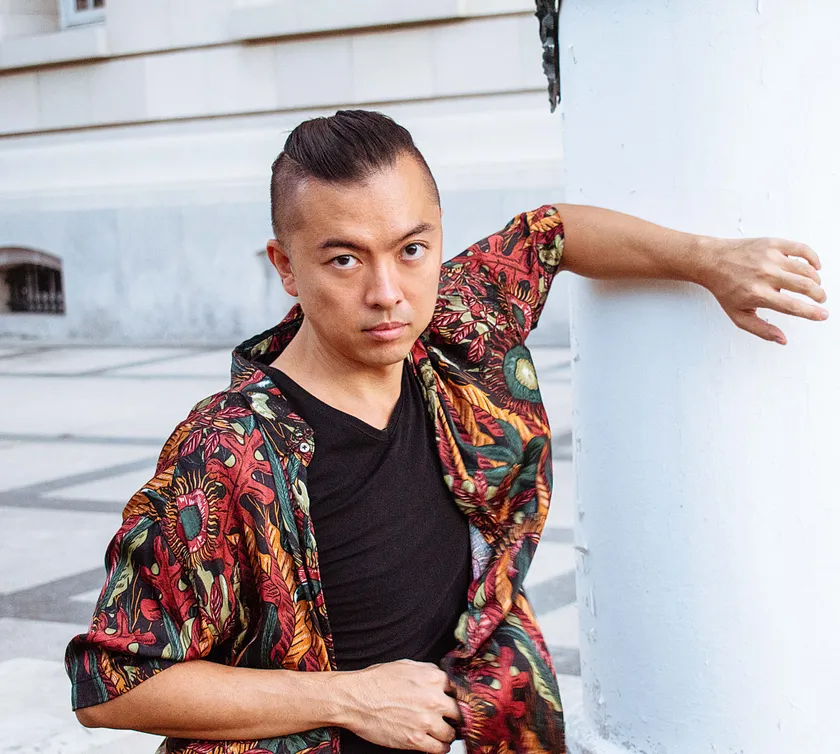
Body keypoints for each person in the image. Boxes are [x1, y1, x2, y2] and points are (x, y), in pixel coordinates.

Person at [65, 110, 828, 754]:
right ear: (286, 268)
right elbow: (113, 685)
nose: (387, 293)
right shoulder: (229, 451)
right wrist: (351, 697)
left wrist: (709, 260)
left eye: (411, 249)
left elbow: (552, 233)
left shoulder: (456, 329)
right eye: (344, 259)